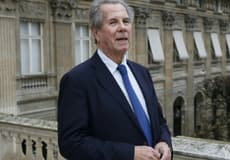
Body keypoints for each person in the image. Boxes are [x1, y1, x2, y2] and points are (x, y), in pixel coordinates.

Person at [57, 0, 172, 159]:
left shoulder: (142, 73)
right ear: (96, 33)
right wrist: (129, 153)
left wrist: (163, 142)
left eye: (126, 21)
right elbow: (71, 144)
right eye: (113, 22)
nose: (123, 28)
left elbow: (159, 122)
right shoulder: (77, 80)